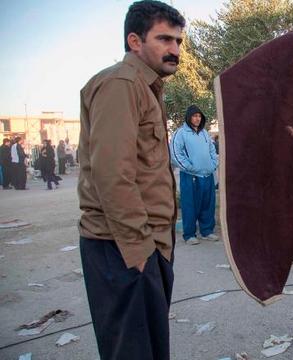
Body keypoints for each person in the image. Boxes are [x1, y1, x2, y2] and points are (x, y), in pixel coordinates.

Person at [77, 1, 184, 359]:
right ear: (135, 41)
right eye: (165, 39)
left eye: (179, 41)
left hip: (143, 245)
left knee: (149, 349)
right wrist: (140, 254)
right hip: (122, 247)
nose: (175, 50)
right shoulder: (121, 84)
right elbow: (112, 175)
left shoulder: (147, 87)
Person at [171, 105, 219, 245]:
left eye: (199, 116)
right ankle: (189, 234)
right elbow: (175, 153)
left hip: (207, 174)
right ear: (189, 117)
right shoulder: (180, 133)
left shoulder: (204, 133)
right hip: (190, 176)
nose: (197, 118)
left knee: (208, 204)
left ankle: (207, 231)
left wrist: (213, 164)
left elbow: (211, 150)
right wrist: (189, 167)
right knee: (190, 205)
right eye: (194, 116)